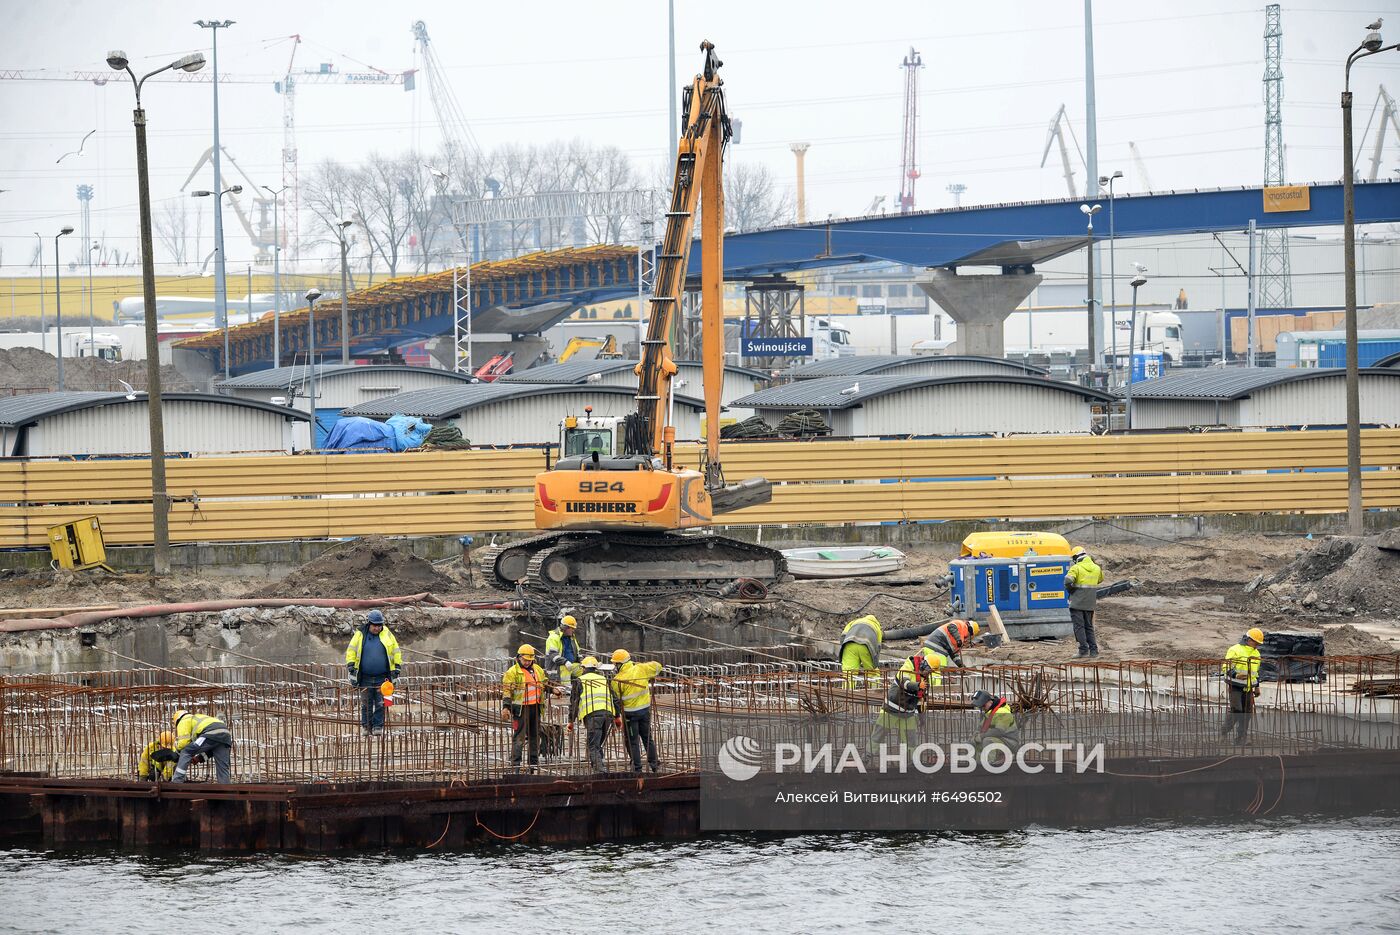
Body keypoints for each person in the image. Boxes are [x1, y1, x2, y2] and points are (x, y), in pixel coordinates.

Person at [345, 609, 403, 736]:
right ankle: (366, 727)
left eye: (379, 625)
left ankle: (377, 726)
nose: (377, 628)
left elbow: (396, 651)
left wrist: (397, 667)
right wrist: (351, 665)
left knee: (381, 703)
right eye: (374, 625)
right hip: (364, 677)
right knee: (366, 703)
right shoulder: (360, 634)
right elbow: (351, 651)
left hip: (383, 678)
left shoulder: (387, 634)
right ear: (369, 623)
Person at [502, 644, 558, 771]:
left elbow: (543, 684)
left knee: (534, 736)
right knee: (519, 738)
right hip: (521, 709)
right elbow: (507, 691)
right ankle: (515, 765)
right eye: (525, 660)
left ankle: (533, 764)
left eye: (529, 660)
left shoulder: (537, 669)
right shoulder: (512, 672)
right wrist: (506, 707)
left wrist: (552, 689)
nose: (527, 662)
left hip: (535, 707)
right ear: (519, 658)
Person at [869, 653, 935, 753]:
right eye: (928, 670)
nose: (928, 673)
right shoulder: (908, 666)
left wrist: (922, 717)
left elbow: (921, 700)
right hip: (891, 708)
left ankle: (911, 761)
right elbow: (905, 683)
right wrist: (918, 685)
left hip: (908, 712)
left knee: (911, 740)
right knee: (878, 736)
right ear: (924, 665)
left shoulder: (924, 679)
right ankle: (867, 757)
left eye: (930, 672)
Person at [610, 649, 664, 773]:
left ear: (620, 664)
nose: (614, 667)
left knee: (633, 741)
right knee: (647, 738)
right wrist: (643, 665)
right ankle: (654, 764)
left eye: (615, 664)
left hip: (630, 715)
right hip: (645, 711)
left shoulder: (616, 680)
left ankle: (637, 768)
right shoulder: (641, 668)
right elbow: (658, 666)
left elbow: (617, 699)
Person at [569, 656, 616, 772]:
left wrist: (571, 721)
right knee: (597, 742)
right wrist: (618, 716)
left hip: (593, 714)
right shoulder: (604, 679)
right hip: (608, 714)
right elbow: (615, 699)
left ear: (583, 668)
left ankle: (600, 770)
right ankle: (598, 765)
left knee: (593, 744)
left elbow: (574, 702)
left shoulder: (580, 680)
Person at [1220, 627, 1265, 745]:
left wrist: (1257, 686)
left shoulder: (1256, 653)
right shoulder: (1235, 649)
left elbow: (1256, 672)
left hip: (1249, 687)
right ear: (1248, 639)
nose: (1257, 646)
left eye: (1259, 644)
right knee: (1237, 710)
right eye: (1256, 643)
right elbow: (1226, 667)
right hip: (1235, 686)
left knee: (1247, 713)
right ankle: (1224, 732)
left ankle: (1241, 738)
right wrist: (1235, 675)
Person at [170, 709, 234, 784]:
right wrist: (199, 758)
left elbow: (183, 743)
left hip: (210, 732)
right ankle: (225, 789)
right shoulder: (197, 718)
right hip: (225, 734)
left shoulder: (183, 720)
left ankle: (177, 781)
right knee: (222, 768)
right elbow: (211, 750)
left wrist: (177, 752)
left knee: (186, 751)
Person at [1065, 546, 1104, 658]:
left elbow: (1068, 581)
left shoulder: (1076, 568)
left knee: (1079, 627)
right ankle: (1094, 651)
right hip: (1090, 603)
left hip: (1077, 603)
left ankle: (1083, 650)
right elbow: (1100, 579)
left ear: (1076, 557)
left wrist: (1071, 590)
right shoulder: (1096, 568)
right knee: (1089, 626)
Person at [970, 689, 1021, 757]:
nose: (982, 708)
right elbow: (980, 728)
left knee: (987, 741)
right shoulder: (990, 713)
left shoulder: (1003, 712)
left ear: (990, 702)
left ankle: (991, 764)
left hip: (1010, 742)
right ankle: (978, 763)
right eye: (981, 707)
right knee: (975, 742)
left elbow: (999, 731)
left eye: (983, 706)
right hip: (999, 739)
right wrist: (974, 737)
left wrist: (981, 736)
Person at [839, 614, 883, 686]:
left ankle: (848, 694)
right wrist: (875, 663)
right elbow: (878, 647)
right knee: (872, 673)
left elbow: (843, 635)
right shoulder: (877, 627)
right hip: (866, 646)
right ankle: (875, 691)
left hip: (849, 644)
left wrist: (844, 648)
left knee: (849, 674)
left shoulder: (854, 622)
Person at [545, 614, 582, 694]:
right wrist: (565, 661)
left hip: (570, 665)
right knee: (565, 668)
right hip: (557, 668)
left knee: (583, 669)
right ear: (565, 628)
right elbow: (553, 655)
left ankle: (583, 690)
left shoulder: (572, 638)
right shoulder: (553, 638)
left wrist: (584, 662)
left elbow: (577, 653)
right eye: (572, 628)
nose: (573, 630)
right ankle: (567, 692)